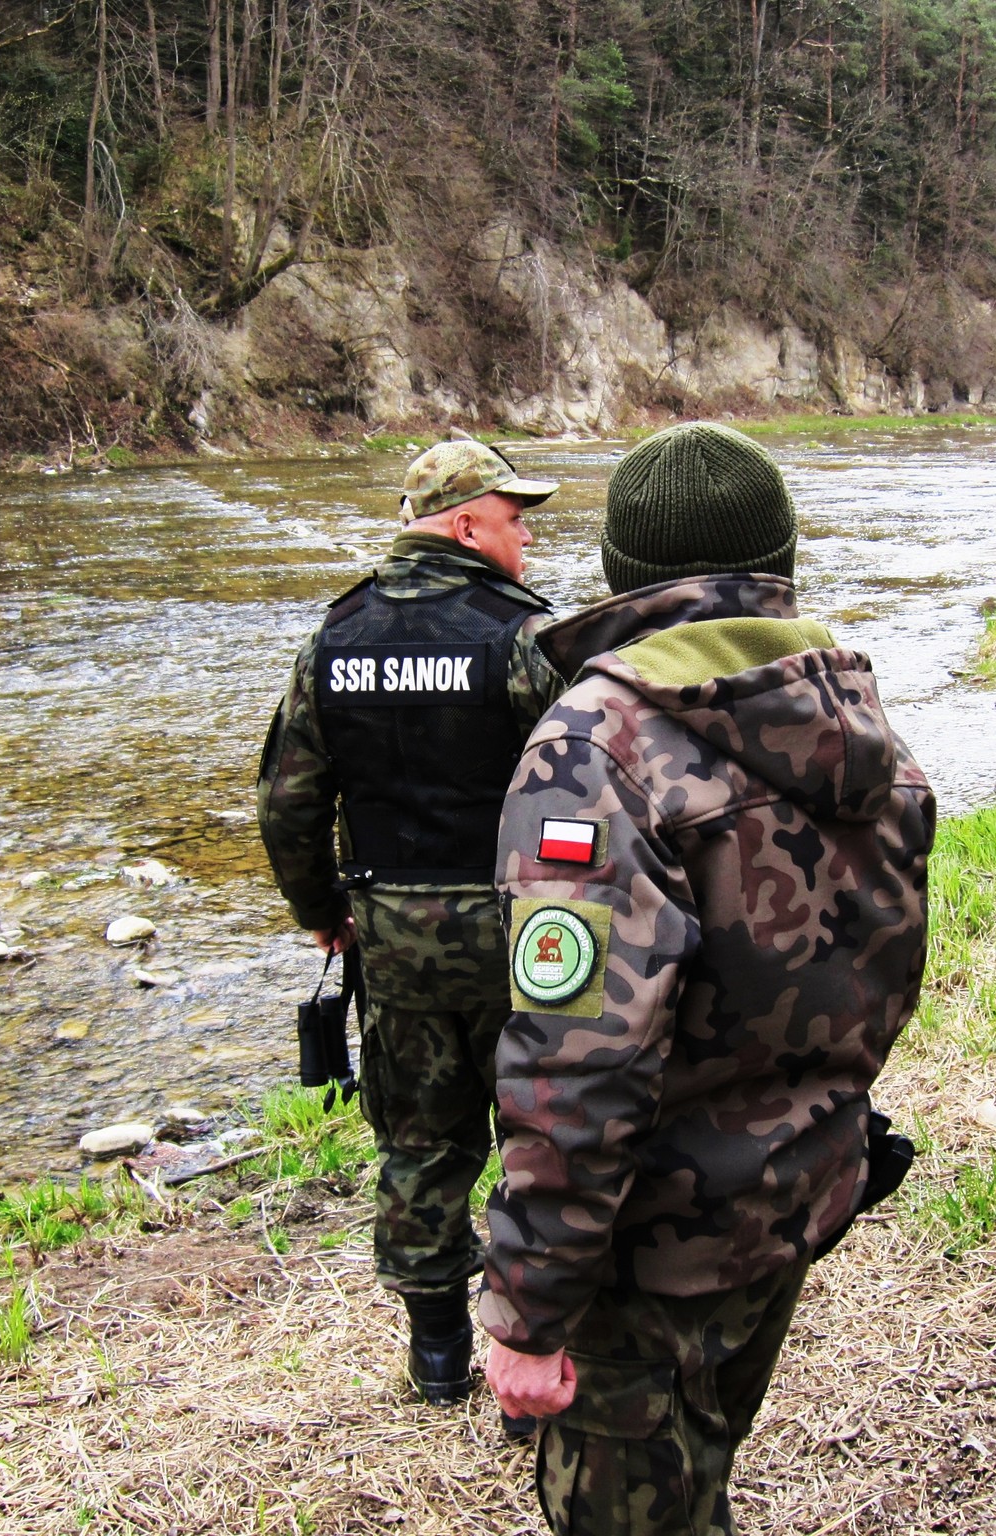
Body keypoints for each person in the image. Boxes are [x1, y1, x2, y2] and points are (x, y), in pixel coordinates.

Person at [478, 422, 937, 1533]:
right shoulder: (851, 708)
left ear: (620, 571)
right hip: (793, 1193)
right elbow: (883, 961)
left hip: (647, 1251)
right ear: (780, 554)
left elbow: (577, 1060)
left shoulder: (594, 745)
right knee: (701, 1468)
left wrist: (530, 1305)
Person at [257, 438, 567, 1411]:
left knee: (421, 1142)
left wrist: (321, 913)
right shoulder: (522, 636)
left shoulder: (335, 637)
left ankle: (436, 1354)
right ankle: (535, 1344)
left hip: (394, 939)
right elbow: (589, 785)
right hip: (525, 936)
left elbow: (287, 802)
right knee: (544, 1135)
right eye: (514, 520)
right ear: (466, 525)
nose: (525, 538)